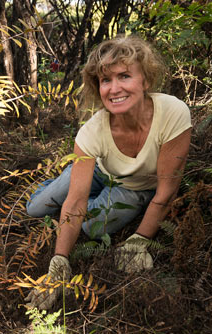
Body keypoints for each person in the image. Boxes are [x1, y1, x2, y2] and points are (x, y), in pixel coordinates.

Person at [25, 35, 192, 310]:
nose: (114, 89)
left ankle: (76, 194)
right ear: (97, 86)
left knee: (91, 227)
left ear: (145, 81)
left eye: (124, 76)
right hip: (101, 172)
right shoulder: (92, 131)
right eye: (105, 80)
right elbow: (76, 202)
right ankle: (66, 179)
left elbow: (167, 191)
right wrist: (60, 260)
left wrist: (140, 239)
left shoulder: (173, 113)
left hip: (136, 188)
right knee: (35, 208)